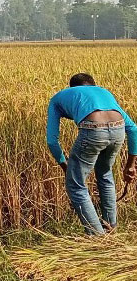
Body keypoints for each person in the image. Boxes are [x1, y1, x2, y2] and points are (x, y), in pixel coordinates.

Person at [47, 73, 137, 235]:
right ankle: (111, 229)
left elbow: (52, 141)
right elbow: (133, 129)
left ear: (72, 88)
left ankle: (97, 237)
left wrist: (64, 165)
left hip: (92, 129)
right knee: (105, 175)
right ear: (93, 85)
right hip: (118, 129)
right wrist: (130, 165)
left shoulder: (58, 98)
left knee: (75, 185)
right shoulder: (104, 92)